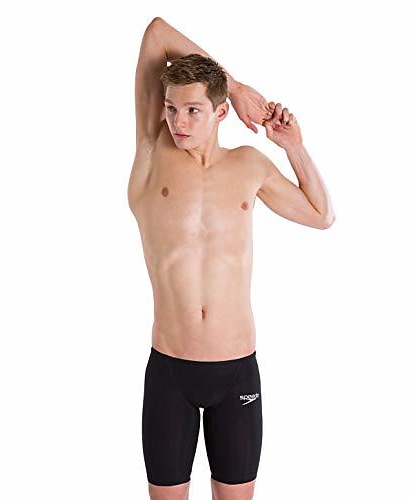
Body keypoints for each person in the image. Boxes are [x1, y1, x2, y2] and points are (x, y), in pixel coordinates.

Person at [128, 16, 335, 500]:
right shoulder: (151, 152)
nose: (178, 122)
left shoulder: (249, 165)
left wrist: (294, 147)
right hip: (171, 370)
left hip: (237, 368)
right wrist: (238, 86)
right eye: (171, 108)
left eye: (193, 110)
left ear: (220, 113)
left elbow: (321, 215)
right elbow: (156, 33)